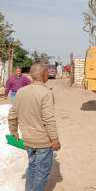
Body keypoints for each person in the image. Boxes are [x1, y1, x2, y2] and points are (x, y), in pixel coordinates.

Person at [8, 63, 61, 191]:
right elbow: (48, 119)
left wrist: (13, 130)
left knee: (32, 168)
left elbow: (12, 114)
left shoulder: (20, 92)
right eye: (47, 73)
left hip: (27, 141)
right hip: (43, 142)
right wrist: (55, 140)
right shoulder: (46, 93)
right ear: (44, 75)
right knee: (41, 173)